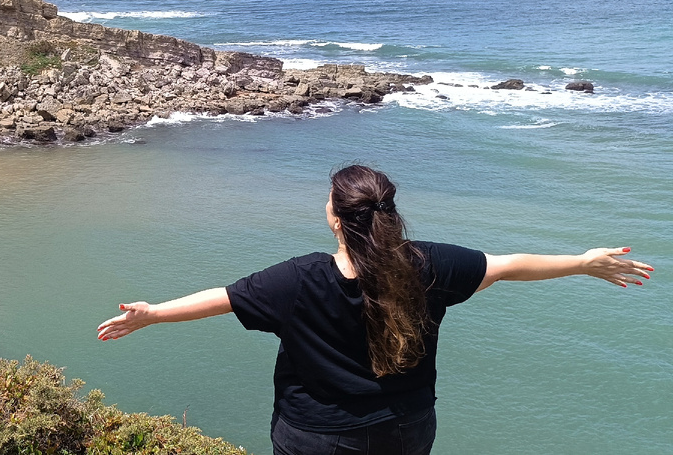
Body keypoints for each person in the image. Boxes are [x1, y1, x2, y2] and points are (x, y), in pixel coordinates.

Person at [96, 164, 654, 455]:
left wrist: (152, 313)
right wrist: (582, 263)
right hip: (405, 428)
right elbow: (509, 265)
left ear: (336, 217)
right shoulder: (430, 264)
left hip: (316, 436)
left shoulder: (299, 278)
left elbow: (221, 299)